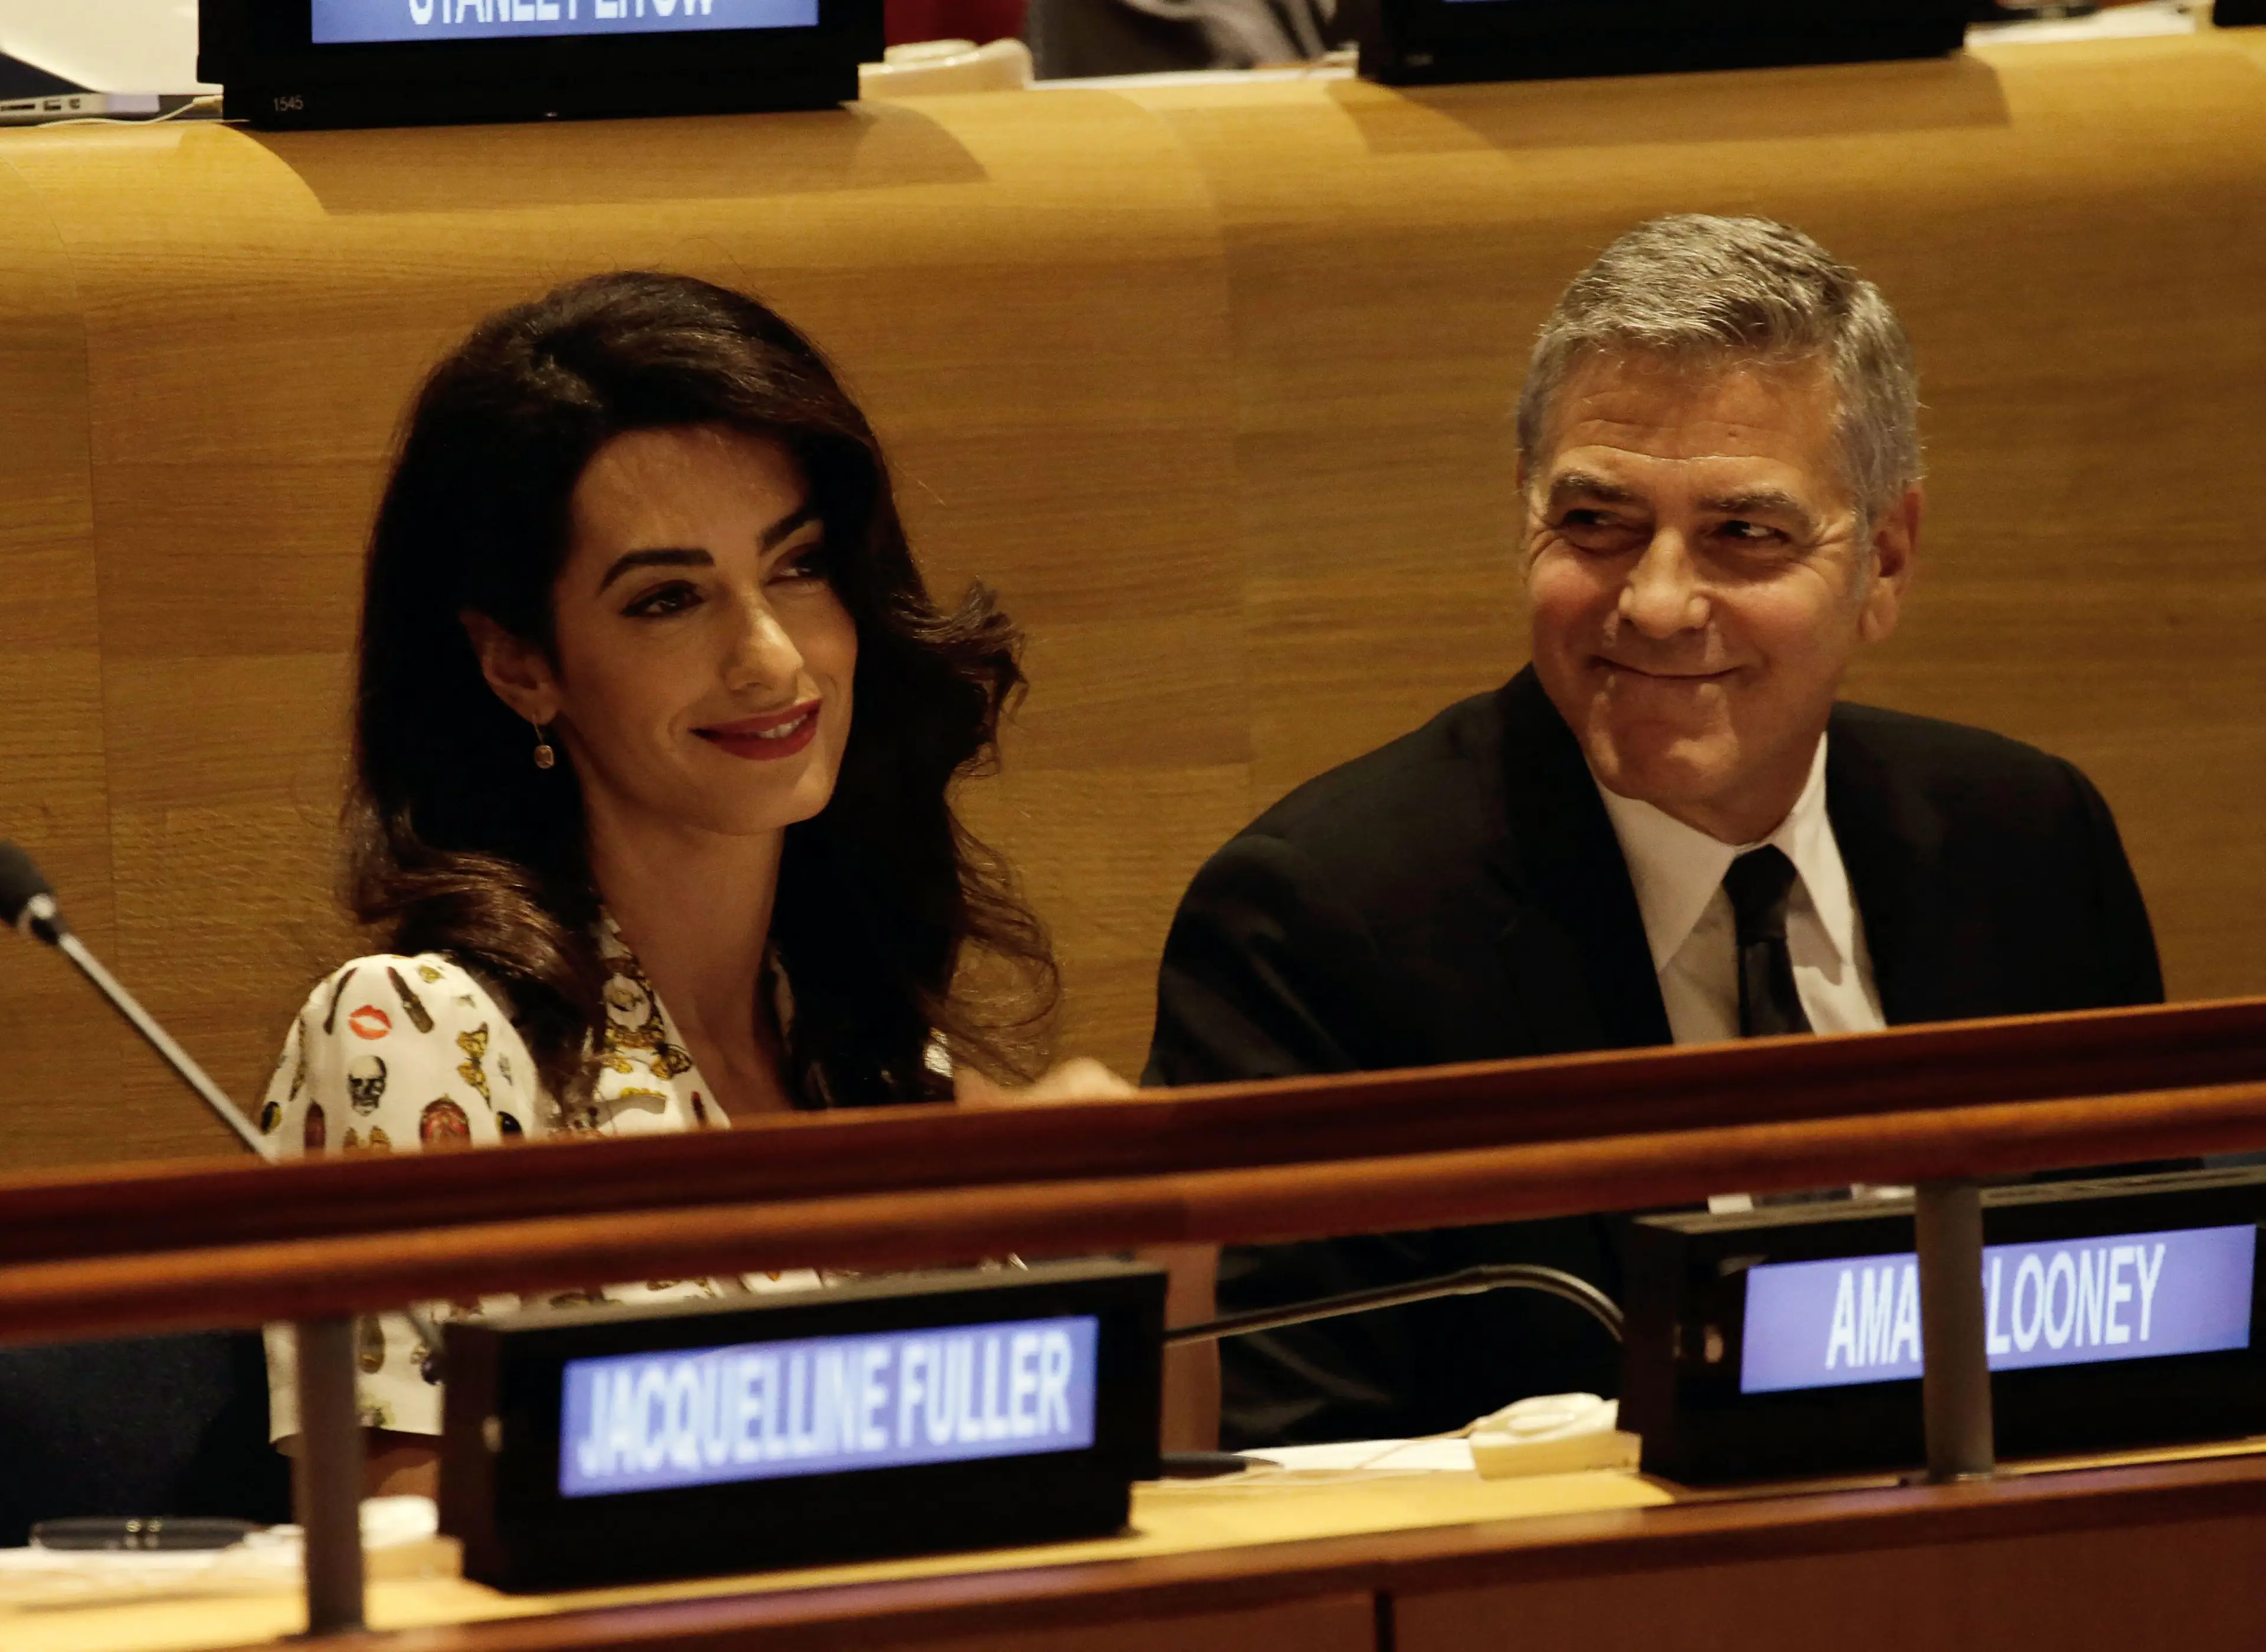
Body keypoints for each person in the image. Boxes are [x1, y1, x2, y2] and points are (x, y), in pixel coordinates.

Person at [1145, 215, 2163, 1448]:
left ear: (1884, 562)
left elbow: (2156, 1328)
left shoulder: (2028, 840)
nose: (1660, 600)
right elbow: (1294, 1463)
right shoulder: (1320, 923)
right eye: (1597, 523)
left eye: (1745, 532)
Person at [258, 271, 1129, 1493]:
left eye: (799, 566)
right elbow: (411, 1552)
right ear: (517, 662)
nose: (773, 657)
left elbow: (1146, 1491)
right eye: (670, 598)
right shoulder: (419, 1033)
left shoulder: (883, 1065)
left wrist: (1143, 1220)